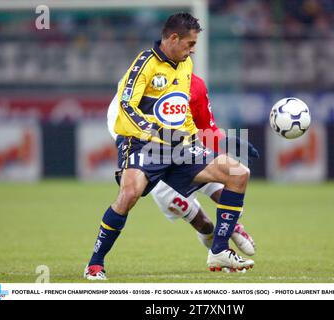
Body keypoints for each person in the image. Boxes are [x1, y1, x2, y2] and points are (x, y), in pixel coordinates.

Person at [85, 12, 255, 280]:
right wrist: (154, 132)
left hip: (177, 145)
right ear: (173, 38)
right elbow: (126, 107)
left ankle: (219, 250)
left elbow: (182, 115)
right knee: (129, 195)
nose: (192, 51)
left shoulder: (185, 66)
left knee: (237, 173)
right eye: (189, 44)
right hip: (141, 143)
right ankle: (95, 263)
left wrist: (216, 142)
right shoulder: (145, 64)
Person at [107, 73, 259, 256]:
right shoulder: (143, 75)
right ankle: (213, 236)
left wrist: (226, 142)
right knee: (203, 224)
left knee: (228, 189)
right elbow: (118, 116)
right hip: (154, 161)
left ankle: (229, 233)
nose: (190, 50)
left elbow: (206, 128)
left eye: (192, 45)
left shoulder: (195, 85)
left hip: (185, 149)